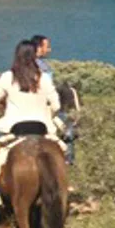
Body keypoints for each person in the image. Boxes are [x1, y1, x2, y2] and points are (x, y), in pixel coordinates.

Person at [0, 40, 61, 208]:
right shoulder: (44, 78)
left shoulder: (7, 77)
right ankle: (62, 184)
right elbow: (56, 105)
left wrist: (4, 108)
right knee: (62, 152)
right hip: (41, 126)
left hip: (13, 127)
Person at [29, 34, 75, 165]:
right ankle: (68, 160)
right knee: (69, 126)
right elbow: (47, 90)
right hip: (44, 107)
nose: (49, 50)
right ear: (39, 47)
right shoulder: (41, 67)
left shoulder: (28, 64)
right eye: (46, 46)